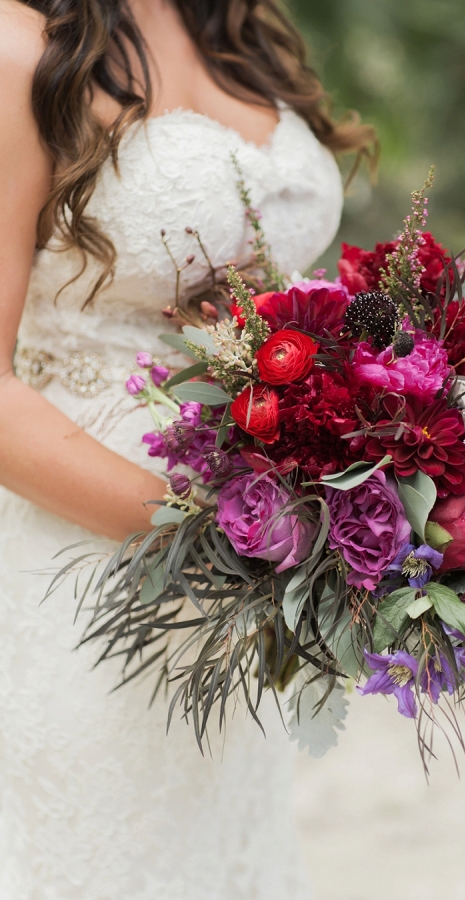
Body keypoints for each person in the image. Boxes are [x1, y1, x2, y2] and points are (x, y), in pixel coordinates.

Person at [0, 1, 375, 895]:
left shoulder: (236, 24)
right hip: (82, 568)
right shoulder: (20, 44)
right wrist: (214, 536)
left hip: (237, 603)